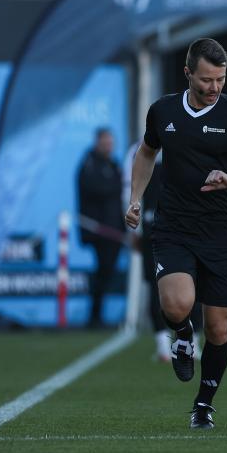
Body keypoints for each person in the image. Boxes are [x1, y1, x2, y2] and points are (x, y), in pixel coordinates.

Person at [125, 38, 227, 429]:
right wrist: (135, 198)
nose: (214, 88)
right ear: (187, 74)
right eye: (206, 80)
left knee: (219, 328)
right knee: (178, 305)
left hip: (219, 233)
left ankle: (203, 405)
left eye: (220, 80)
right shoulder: (162, 111)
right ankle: (181, 334)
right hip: (174, 226)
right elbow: (146, 153)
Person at [123, 140, 202, 362]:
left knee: (193, 284)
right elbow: (129, 187)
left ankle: (192, 341)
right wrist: (133, 226)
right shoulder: (140, 149)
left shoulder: (191, 140)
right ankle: (163, 345)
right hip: (153, 227)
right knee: (157, 286)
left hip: (187, 227)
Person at [77, 127, 126, 328]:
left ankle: (98, 314)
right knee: (102, 271)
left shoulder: (113, 164)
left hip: (115, 231)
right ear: (97, 142)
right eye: (105, 142)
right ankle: (94, 316)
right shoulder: (89, 164)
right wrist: (118, 184)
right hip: (99, 231)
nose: (109, 146)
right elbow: (98, 189)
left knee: (106, 272)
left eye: (111, 142)